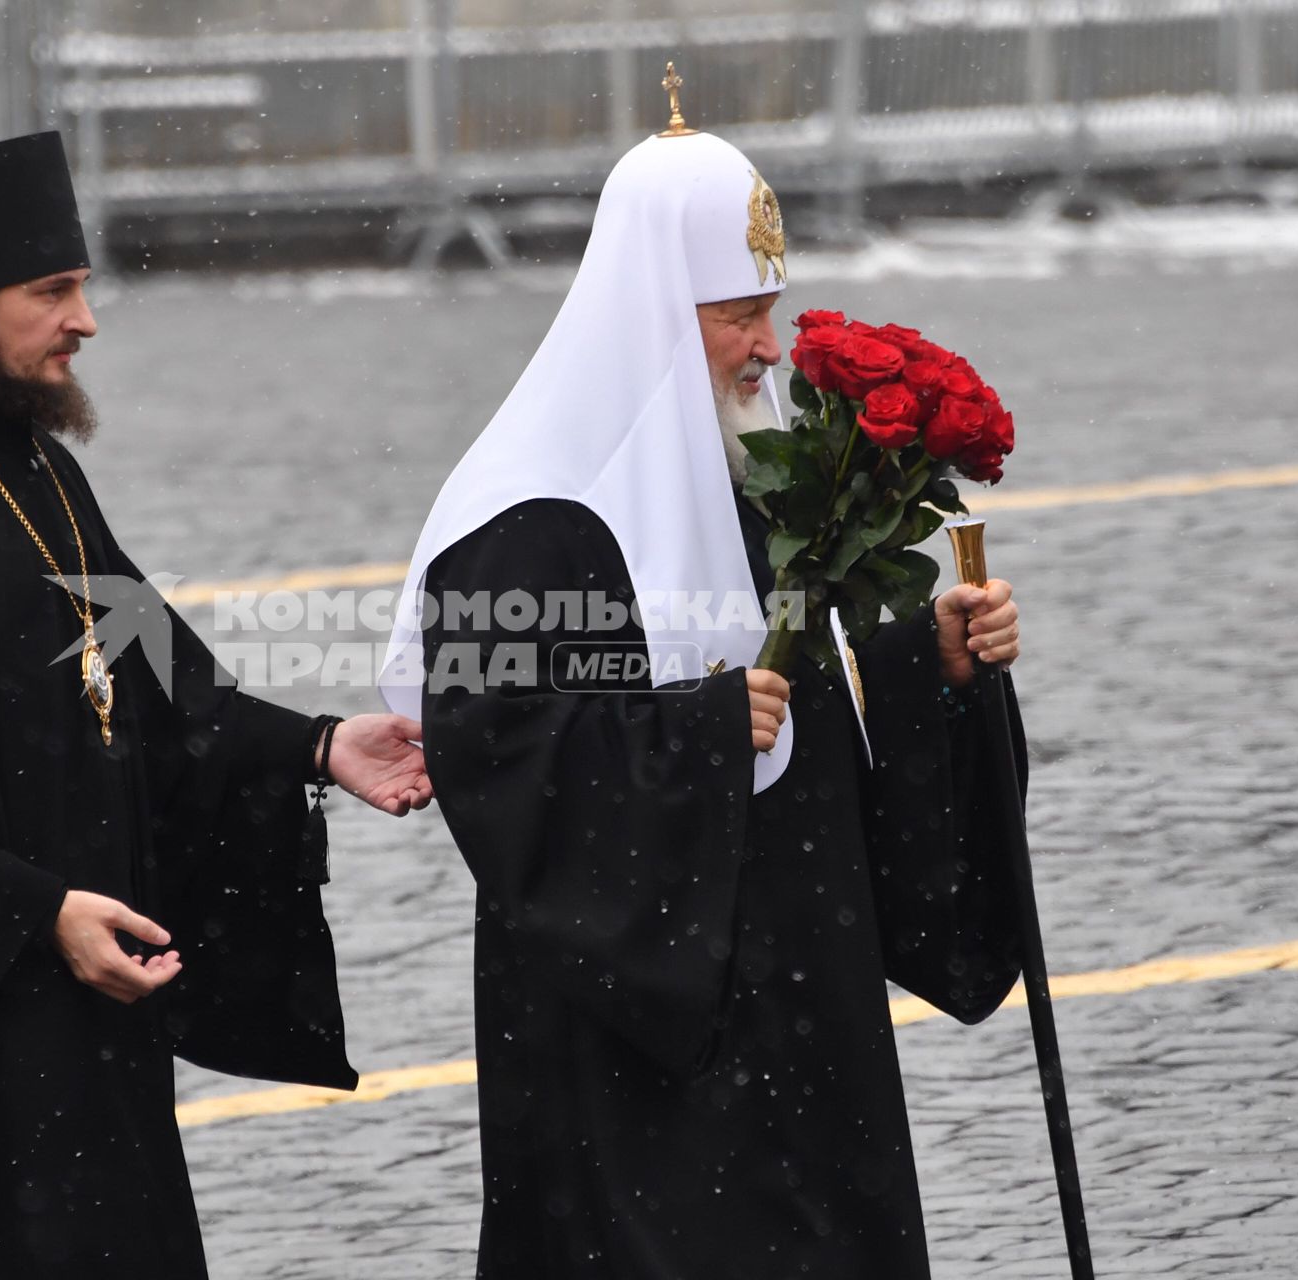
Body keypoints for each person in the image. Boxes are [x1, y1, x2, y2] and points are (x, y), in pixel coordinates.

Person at [0, 131, 431, 1279]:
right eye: (51, 290)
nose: (85, 320)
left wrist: (315, 743)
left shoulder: (36, 466)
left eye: (83, 287)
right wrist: (30, 909)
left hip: (79, 1033)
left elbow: (150, 683)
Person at [379, 127, 1028, 1276]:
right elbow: (504, 774)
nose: (766, 353)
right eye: (739, 314)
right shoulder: (527, 518)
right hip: (640, 1063)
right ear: (657, 311)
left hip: (804, 1025)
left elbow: (814, 710)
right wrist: (696, 738)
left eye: (770, 311)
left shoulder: (753, 485)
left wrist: (937, 671)